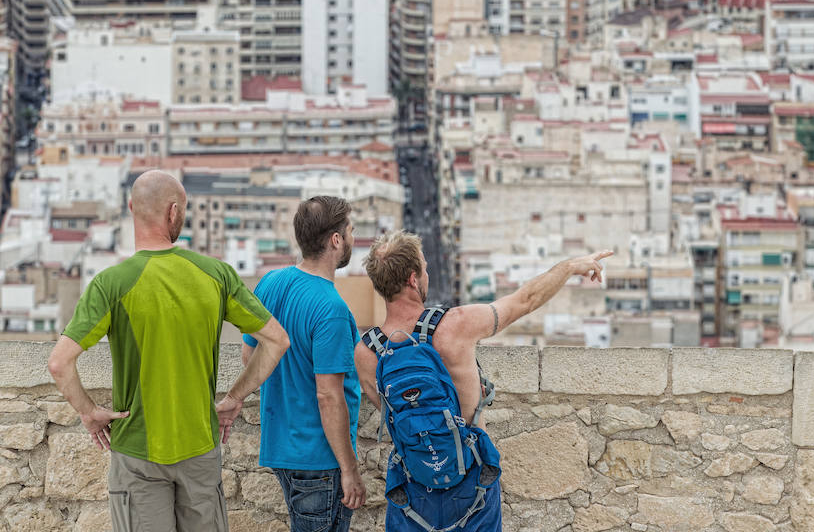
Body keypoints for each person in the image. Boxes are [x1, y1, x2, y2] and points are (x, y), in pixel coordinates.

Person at [47, 170, 290, 532]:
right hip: (200, 446)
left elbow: (59, 363)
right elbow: (277, 341)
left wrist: (89, 412)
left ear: (131, 208)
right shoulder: (217, 274)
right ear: (174, 212)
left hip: (137, 450)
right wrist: (236, 397)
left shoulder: (111, 284)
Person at [356, 231, 612, 531]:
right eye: (425, 269)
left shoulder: (366, 352)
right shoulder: (456, 325)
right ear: (413, 279)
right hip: (472, 481)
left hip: (414, 483)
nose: (427, 274)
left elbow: (392, 416)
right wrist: (569, 267)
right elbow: (525, 301)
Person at [242, 196, 366, 532]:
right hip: (319, 458)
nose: (353, 238)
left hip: (281, 446)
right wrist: (349, 468)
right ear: (335, 240)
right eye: (350, 231)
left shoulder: (270, 283)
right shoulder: (331, 309)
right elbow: (328, 396)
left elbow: (249, 356)